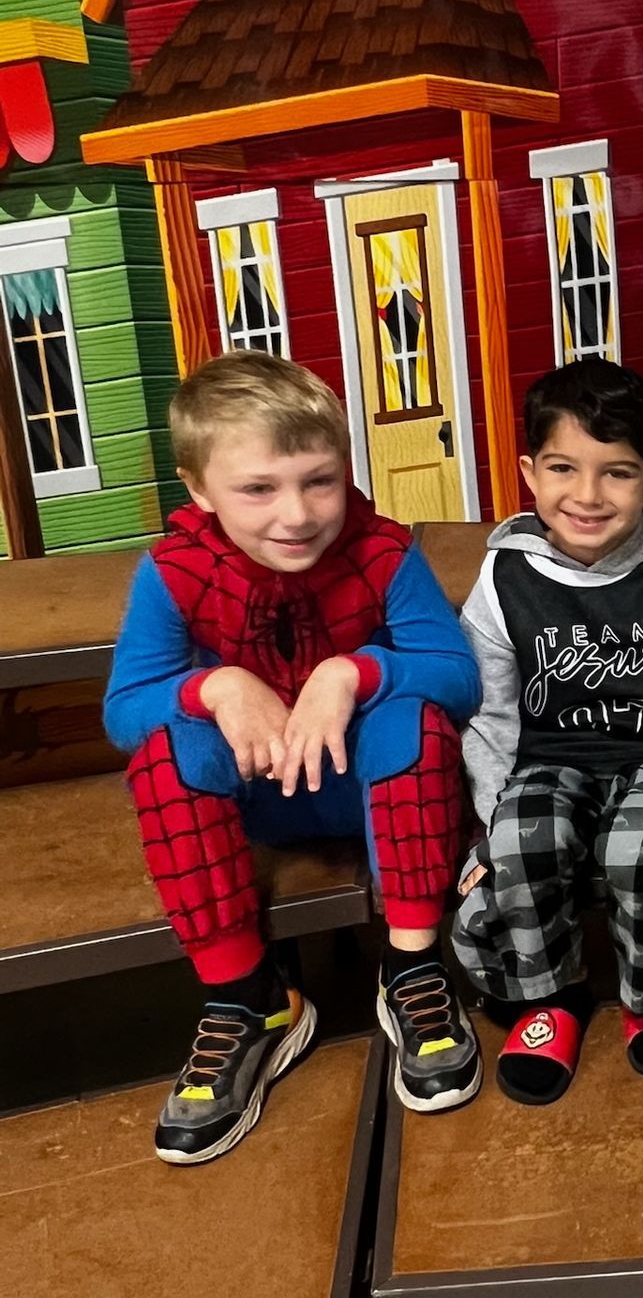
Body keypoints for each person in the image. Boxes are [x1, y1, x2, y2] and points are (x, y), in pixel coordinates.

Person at [103, 350, 483, 1164]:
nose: (299, 513)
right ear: (199, 491)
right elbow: (124, 711)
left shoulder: (384, 554)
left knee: (414, 714)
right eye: (258, 489)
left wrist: (352, 671)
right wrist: (214, 688)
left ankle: (411, 969)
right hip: (255, 794)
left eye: (320, 480)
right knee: (166, 750)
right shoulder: (173, 575)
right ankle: (249, 1001)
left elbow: (459, 676)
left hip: (368, 786)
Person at [452, 360, 643, 1102]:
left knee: (637, 852)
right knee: (526, 840)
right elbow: (488, 717)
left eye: (617, 474)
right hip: (547, 762)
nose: (587, 496)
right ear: (530, 472)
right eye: (564, 468)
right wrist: (487, 835)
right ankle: (549, 998)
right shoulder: (503, 580)